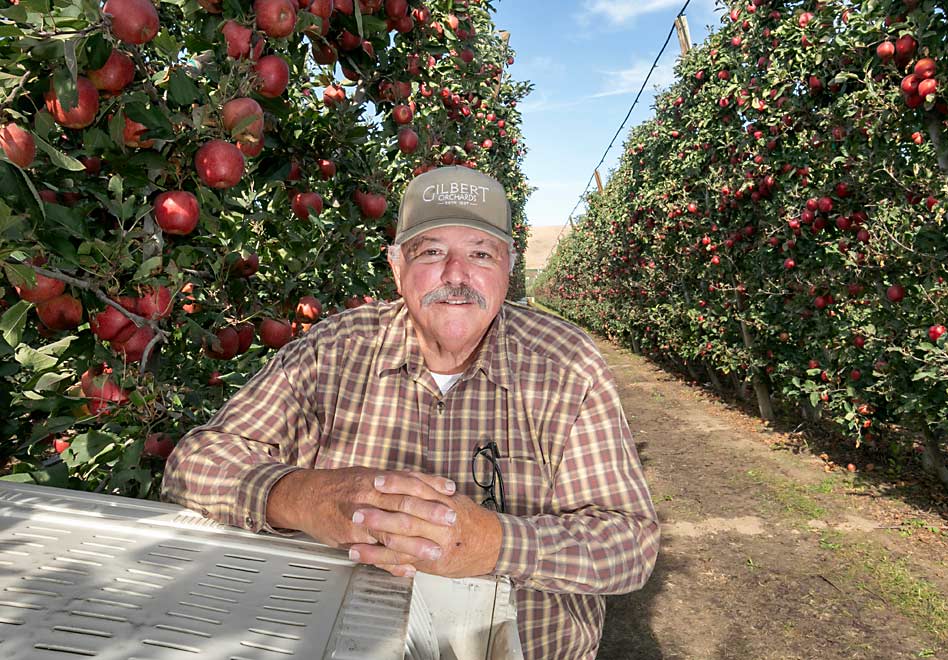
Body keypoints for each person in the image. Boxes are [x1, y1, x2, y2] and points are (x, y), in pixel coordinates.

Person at [162, 166, 659, 659]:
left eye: (481, 254)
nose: (456, 275)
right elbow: (194, 462)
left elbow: (629, 542)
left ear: (509, 268)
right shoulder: (334, 349)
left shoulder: (565, 365)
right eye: (432, 251)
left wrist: (494, 542)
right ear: (397, 268)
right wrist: (305, 496)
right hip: (344, 642)